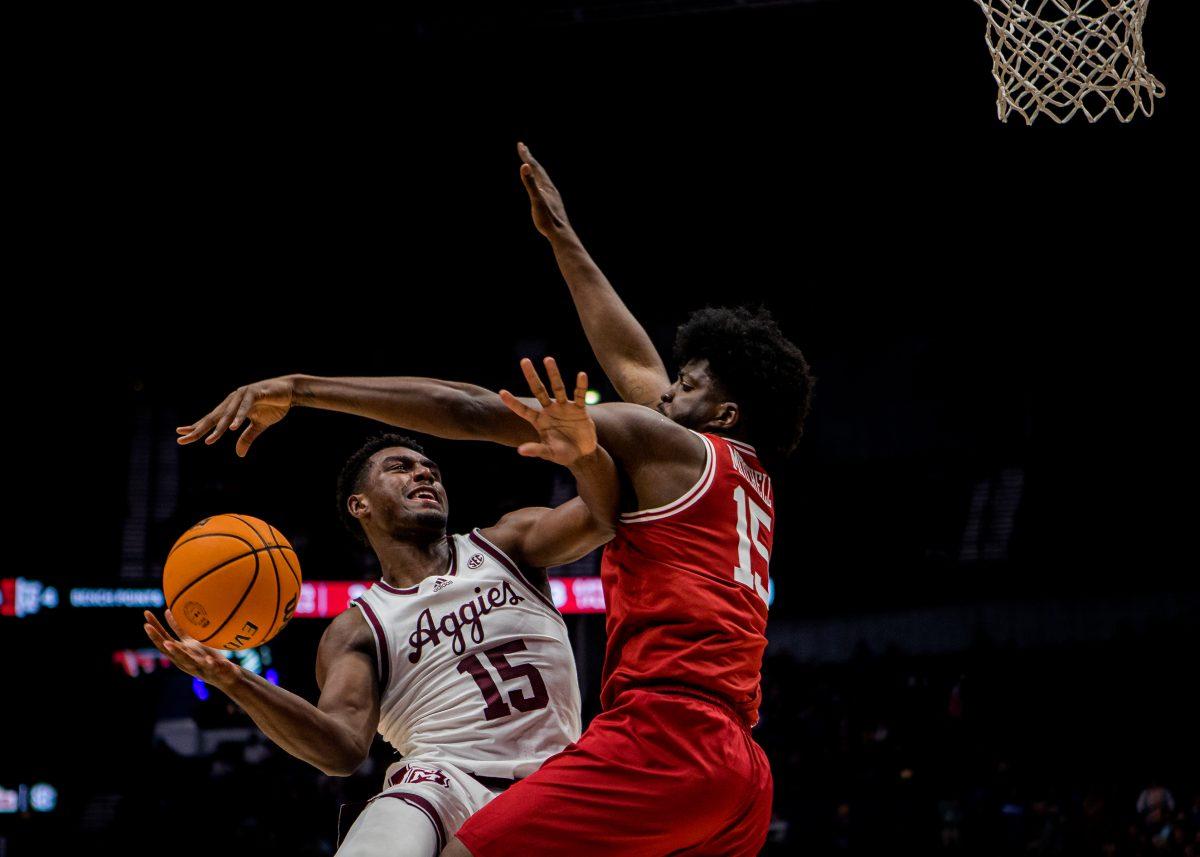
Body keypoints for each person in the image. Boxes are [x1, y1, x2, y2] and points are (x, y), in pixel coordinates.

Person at [178, 146, 814, 856]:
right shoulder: (736, 473)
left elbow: (473, 409)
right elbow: (635, 367)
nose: (666, 392)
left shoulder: (660, 448)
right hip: (739, 771)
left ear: (722, 411)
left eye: (687, 385)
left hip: (662, 737)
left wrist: (302, 387)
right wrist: (564, 240)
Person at [148, 361, 618, 857]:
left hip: (557, 777)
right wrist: (233, 679)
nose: (423, 474)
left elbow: (603, 517)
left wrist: (586, 458)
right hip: (442, 782)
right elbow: (340, 750)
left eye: (431, 471)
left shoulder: (509, 543)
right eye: (400, 468)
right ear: (360, 505)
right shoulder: (358, 626)